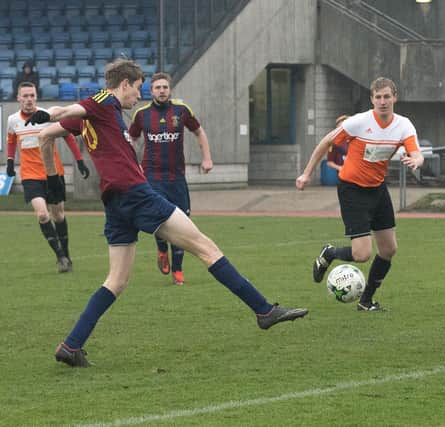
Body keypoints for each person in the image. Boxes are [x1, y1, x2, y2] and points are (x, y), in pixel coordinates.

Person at [31, 59, 308, 368]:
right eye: (137, 90)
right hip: (137, 194)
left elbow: (46, 135)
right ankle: (264, 311)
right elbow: (66, 113)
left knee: (117, 280)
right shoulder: (104, 101)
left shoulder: (103, 116)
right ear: (123, 85)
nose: (138, 97)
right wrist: (52, 111)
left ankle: (71, 345)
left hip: (115, 202)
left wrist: (50, 175)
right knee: (205, 247)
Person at [295, 77, 424, 311]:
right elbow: (325, 142)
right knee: (362, 254)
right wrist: (306, 174)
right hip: (352, 189)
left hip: (377, 189)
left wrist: (416, 160)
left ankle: (365, 301)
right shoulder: (359, 122)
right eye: (378, 97)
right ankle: (330, 252)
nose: (383, 101)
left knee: (388, 250)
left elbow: (416, 152)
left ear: (395, 97)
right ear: (372, 99)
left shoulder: (404, 125)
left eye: (387, 96)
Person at [129, 72, 213, 286]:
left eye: (165, 87)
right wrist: (132, 164)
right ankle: (161, 250)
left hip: (176, 178)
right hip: (152, 177)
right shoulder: (141, 114)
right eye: (157, 87)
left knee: (183, 222)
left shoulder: (182, 111)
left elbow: (199, 132)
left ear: (170, 89)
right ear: (151, 91)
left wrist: (207, 158)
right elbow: (131, 140)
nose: (162, 91)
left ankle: (178, 269)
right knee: (160, 219)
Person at [5, 82, 90, 273]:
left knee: (58, 214)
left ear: (36, 97)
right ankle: (60, 256)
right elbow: (11, 140)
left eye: (32, 96)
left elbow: (67, 136)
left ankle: (67, 255)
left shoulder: (47, 116)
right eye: (25, 96)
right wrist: (10, 161)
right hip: (30, 175)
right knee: (43, 214)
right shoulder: (12, 120)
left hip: (53, 173)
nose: (28, 99)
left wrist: (79, 160)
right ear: (18, 98)